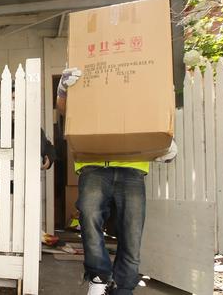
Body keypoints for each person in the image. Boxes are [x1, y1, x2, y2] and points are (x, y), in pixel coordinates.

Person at [56, 68, 175, 295]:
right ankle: (99, 277)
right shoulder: (88, 70)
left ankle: (123, 288)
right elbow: (64, 111)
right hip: (94, 165)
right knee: (89, 218)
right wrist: (63, 90)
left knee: (131, 232)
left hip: (133, 167)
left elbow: (156, 109)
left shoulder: (141, 78)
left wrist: (165, 139)